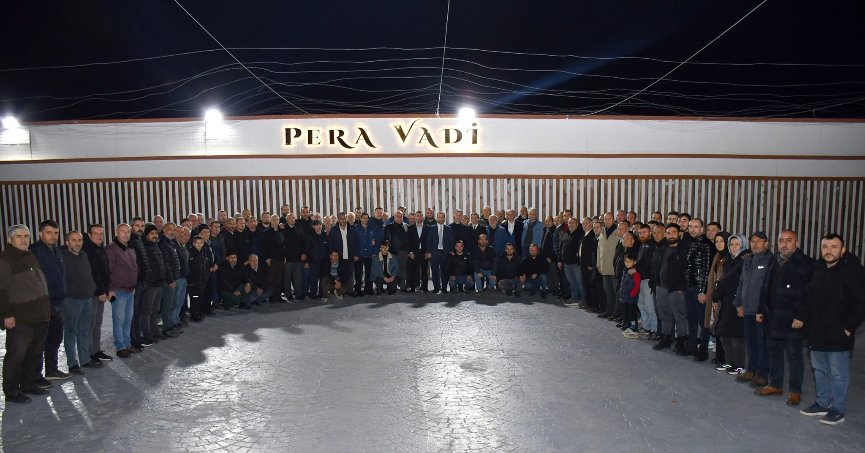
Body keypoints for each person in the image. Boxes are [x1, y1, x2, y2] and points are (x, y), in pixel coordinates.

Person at [795, 234, 865, 425]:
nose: (829, 251)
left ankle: (838, 409)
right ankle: (822, 402)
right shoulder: (817, 269)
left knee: (838, 373)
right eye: (825, 247)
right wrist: (802, 316)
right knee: (819, 369)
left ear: (843, 250)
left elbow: (861, 303)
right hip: (817, 331)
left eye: (834, 247)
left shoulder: (853, 271)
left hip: (839, 333)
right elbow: (809, 297)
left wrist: (848, 327)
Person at [756, 230, 813, 405]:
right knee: (774, 353)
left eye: (789, 240)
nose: (784, 244)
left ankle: (795, 391)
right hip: (772, 316)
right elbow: (764, 287)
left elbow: (810, 294)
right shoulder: (773, 261)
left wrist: (801, 316)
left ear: (797, 243)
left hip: (792, 319)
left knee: (794, 356)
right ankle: (775, 384)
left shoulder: (806, 263)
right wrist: (760, 310)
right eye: (781, 241)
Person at [1, 225, 52, 403]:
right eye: (19, 236)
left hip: (39, 315)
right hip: (21, 318)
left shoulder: (29, 256)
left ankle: (28, 384)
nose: (23, 239)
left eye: (26, 236)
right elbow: (1, 291)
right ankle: (12, 391)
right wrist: (6, 315)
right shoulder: (5, 260)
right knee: (16, 356)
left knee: (34, 354)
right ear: (10, 240)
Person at [29, 220, 69, 382]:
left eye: (56, 233)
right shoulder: (35, 251)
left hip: (58, 301)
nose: (53, 236)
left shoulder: (56, 251)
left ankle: (52, 370)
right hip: (44, 303)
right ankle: (36, 376)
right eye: (49, 233)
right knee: (40, 341)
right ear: (40, 233)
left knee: (55, 338)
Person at [733, 231, 775, 389]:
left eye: (759, 241)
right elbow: (741, 283)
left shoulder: (771, 261)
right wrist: (738, 304)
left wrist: (763, 309)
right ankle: (751, 370)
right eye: (753, 241)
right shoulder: (748, 260)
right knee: (750, 342)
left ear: (766, 243)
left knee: (762, 343)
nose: (755, 244)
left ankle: (763, 374)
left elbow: (769, 287)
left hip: (761, 311)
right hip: (747, 309)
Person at [60, 231, 102, 374]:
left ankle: (85, 359)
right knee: (71, 332)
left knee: (84, 330)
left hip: (87, 299)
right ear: (67, 243)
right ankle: (72, 363)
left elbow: (89, 274)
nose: (77, 243)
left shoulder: (84, 255)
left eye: (79, 240)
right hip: (72, 300)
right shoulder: (63, 257)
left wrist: (92, 289)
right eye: (73, 240)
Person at [712, 234, 750, 376]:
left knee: (737, 336)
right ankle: (731, 361)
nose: (734, 247)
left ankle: (740, 365)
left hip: (738, 301)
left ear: (743, 245)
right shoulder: (727, 259)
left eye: (737, 244)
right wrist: (717, 297)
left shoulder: (746, 260)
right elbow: (720, 280)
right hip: (726, 300)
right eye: (732, 244)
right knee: (724, 333)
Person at [652, 224, 690, 354]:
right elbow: (657, 266)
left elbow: (686, 270)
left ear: (679, 234)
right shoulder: (662, 248)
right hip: (661, 287)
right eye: (669, 233)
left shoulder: (684, 250)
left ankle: (681, 343)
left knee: (680, 316)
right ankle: (666, 339)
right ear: (666, 234)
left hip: (676, 289)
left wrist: (681, 287)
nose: (671, 235)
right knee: (664, 315)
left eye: (674, 232)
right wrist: (657, 283)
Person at [106, 224, 139, 358]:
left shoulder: (130, 249)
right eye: (122, 231)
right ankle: (120, 347)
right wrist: (110, 289)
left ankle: (127, 343)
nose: (125, 234)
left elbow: (134, 268)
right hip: (117, 291)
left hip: (130, 290)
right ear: (116, 232)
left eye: (128, 232)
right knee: (118, 319)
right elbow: (108, 270)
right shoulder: (111, 249)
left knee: (128, 319)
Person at [82, 224, 112, 363]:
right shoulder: (87, 250)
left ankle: (96, 350)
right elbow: (92, 273)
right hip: (93, 294)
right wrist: (100, 291)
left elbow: (105, 272)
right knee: (90, 325)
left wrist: (107, 289)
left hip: (101, 292)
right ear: (89, 235)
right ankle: (89, 354)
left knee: (97, 324)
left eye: (101, 233)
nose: (99, 236)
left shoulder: (100, 249)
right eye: (96, 233)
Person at [684, 218, 713, 360]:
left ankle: (703, 351)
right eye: (691, 226)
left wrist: (703, 291)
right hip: (690, 286)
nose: (693, 229)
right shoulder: (692, 242)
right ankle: (692, 346)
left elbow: (707, 269)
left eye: (696, 227)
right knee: (691, 318)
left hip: (699, 288)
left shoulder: (706, 245)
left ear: (702, 229)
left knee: (703, 321)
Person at [157, 223, 181, 338]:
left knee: (172, 304)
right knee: (167, 305)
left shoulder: (170, 243)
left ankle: (171, 325)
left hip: (174, 278)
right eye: (170, 229)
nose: (172, 231)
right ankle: (166, 328)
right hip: (168, 281)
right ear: (164, 230)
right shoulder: (163, 244)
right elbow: (165, 264)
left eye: (174, 229)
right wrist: (170, 280)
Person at [635, 224, 658, 337]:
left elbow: (649, 265)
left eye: (644, 232)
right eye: (640, 233)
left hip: (648, 280)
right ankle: (646, 326)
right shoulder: (642, 245)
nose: (642, 235)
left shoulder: (653, 246)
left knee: (649, 306)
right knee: (641, 305)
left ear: (650, 233)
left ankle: (654, 329)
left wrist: (636, 269)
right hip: (640, 279)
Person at [596, 212, 619, 318]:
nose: (607, 221)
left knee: (616, 292)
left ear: (613, 219)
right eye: (606, 219)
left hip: (614, 268)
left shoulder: (618, 232)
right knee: (608, 292)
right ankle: (609, 311)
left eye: (609, 218)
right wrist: (598, 264)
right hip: (604, 267)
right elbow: (599, 250)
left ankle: (617, 313)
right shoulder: (602, 232)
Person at [426, 212, 454, 294]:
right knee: (434, 271)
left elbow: (451, 241)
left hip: (445, 253)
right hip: (434, 253)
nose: (441, 219)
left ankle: (444, 288)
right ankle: (436, 288)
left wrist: (451, 250)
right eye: (439, 217)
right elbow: (428, 241)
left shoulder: (448, 228)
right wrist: (428, 252)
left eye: (442, 217)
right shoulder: (432, 228)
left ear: (444, 218)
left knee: (444, 271)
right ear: (437, 218)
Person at [559, 218, 585, 306]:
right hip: (566, 263)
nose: (571, 224)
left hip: (576, 263)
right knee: (572, 282)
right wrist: (560, 260)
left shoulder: (581, 234)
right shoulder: (565, 233)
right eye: (569, 223)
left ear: (577, 224)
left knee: (579, 282)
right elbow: (561, 247)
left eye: (573, 223)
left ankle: (583, 300)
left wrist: (579, 260)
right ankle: (574, 298)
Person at [354, 212, 378, 296]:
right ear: (360, 219)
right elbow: (353, 242)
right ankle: (358, 290)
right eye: (363, 218)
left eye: (367, 218)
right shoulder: (356, 228)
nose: (365, 219)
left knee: (369, 272)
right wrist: (355, 254)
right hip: (359, 254)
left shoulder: (371, 228)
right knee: (359, 273)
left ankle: (368, 288)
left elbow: (374, 240)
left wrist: (373, 252)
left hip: (369, 253)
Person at [186, 235, 209, 322]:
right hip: (193, 282)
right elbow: (189, 268)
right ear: (193, 243)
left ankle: (198, 312)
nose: (199, 244)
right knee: (194, 299)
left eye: (201, 243)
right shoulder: (191, 253)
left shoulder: (203, 253)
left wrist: (205, 279)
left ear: (203, 244)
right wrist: (191, 281)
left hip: (201, 281)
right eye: (197, 243)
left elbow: (205, 267)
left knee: (200, 298)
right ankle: (194, 315)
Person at [619, 254, 641, 338]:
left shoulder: (635, 273)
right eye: (626, 261)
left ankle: (634, 329)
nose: (627, 263)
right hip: (625, 297)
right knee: (626, 313)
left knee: (632, 314)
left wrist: (632, 294)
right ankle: (629, 327)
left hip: (631, 298)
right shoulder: (625, 271)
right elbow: (623, 284)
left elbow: (637, 286)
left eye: (630, 261)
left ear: (634, 262)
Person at [406, 211, 428, 293]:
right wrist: (410, 252)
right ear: (415, 217)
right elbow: (408, 242)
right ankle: (412, 287)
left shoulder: (427, 228)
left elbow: (429, 241)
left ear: (423, 217)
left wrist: (428, 251)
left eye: (420, 216)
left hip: (424, 252)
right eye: (417, 216)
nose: (419, 217)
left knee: (424, 271)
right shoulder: (410, 228)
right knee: (413, 271)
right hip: (414, 253)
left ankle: (425, 287)